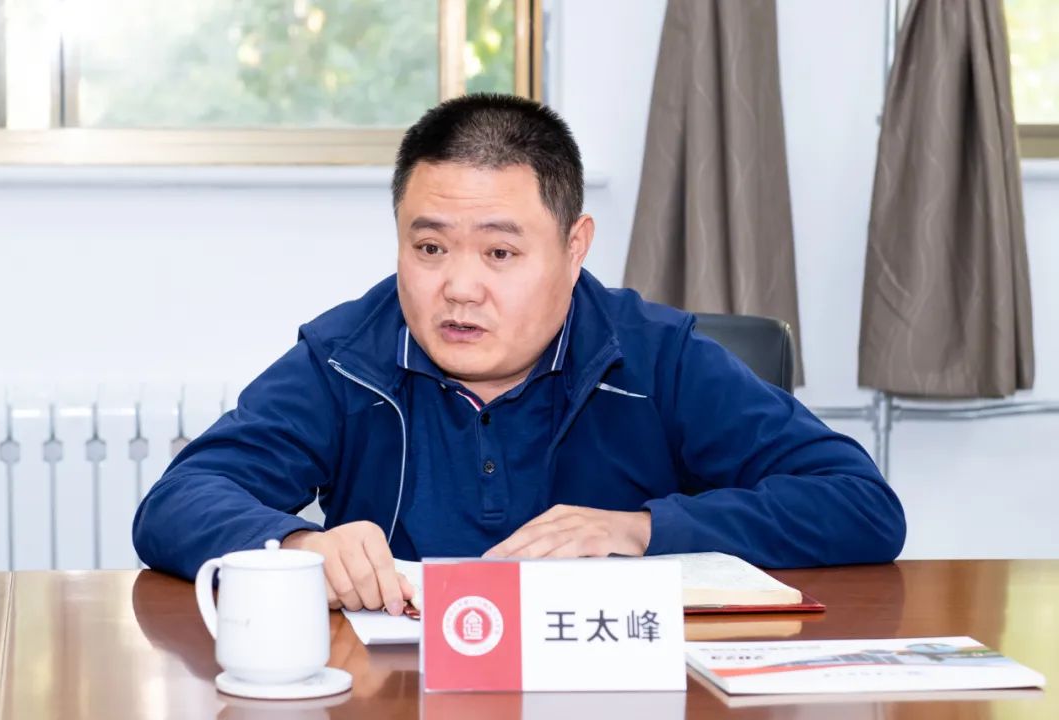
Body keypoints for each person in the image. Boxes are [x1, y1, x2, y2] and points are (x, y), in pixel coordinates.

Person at [133, 94, 905, 617]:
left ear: (574, 247)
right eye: (429, 248)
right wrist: (302, 549)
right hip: (403, 691)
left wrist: (639, 530)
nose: (458, 288)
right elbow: (178, 502)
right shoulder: (347, 356)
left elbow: (860, 505)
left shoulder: (655, 357)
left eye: (500, 253)